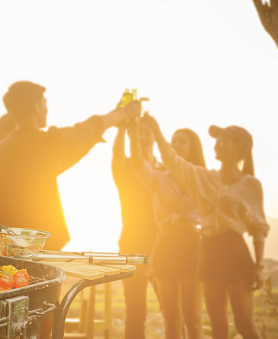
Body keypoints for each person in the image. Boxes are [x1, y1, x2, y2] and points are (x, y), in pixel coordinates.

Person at [0, 80, 141, 250]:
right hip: (45, 250)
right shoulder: (49, 143)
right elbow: (89, 128)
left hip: (8, 253)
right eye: (44, 102)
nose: (46, 108)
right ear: (37, 107)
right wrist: (123, 113)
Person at [145, 114, 269, 339]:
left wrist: (259, 265)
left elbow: (258, 227)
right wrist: (155, 129)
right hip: (209, 251)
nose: (217, 143)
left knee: (244, 324)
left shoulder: (250, 184)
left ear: (239, 146)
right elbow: (173, 160)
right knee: (218, 327)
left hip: (235, 250)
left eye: (224, 140)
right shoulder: (204, 177)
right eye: (216, 139)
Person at [129, 120, 205, 339]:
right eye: (173, 141)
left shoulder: (200, 178)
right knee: (172, 320)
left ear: (193, 148)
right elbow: (136, 163)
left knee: (194, 319)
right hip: (166, 248)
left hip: (194, 247)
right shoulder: (159, 178)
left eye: (182, 142)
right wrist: (134, 131)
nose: (175, 144)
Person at [111, 118, 161, 339]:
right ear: (131, 137)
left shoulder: (165, 169)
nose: (144, 136)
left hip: (165, 244)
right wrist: (123, 125)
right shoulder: (125, 168)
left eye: (147, 132)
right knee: (136, 310)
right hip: (132, 244)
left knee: (173, 309)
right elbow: (117, 154)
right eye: (138, 132)